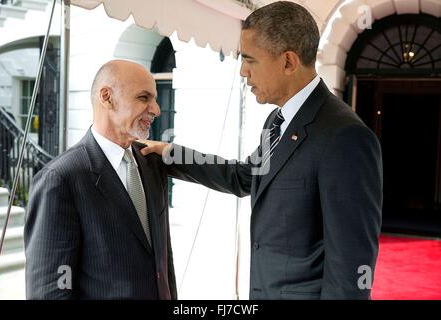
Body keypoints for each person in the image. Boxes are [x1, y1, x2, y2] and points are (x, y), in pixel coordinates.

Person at [142, 2, 382, 299]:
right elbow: (246, 176)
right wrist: (171, 154)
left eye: (250, 60)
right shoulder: (276, 121)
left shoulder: (346, 137)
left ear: (288, 62)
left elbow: (351, 263)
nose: (243, 71)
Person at [24, 60, 177, 299]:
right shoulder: (61, 179)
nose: (156, 109)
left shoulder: (151, 163)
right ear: (107, 97)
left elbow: (162, 261)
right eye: (144, 97)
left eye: (155, 99)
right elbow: (51, 291)